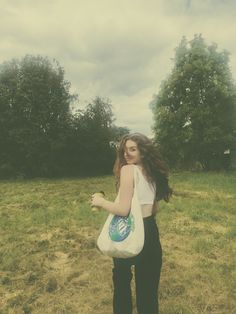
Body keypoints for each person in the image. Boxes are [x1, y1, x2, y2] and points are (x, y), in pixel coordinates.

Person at [91, 133, 172, 314]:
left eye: (132, 149)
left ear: (142, 152)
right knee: (148, 293)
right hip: (150, 231)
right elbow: (154, 209)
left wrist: (100, 202)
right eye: (124, 150)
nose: (127, 154)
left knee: (121, 282)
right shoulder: (152, 172)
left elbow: (123, 210)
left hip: (128, 230)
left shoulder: (128, 170)